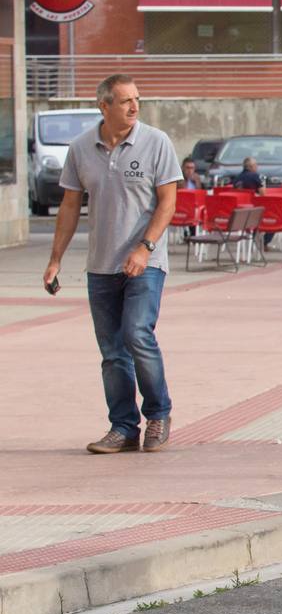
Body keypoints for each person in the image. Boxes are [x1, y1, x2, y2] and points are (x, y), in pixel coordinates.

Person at [42, 74, 182, 454]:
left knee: (137, 334)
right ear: (104, 106)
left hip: (145, 263)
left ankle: (158, 414)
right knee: (112, 352)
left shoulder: (156, 143)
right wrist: (55, 259)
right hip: (101, 268)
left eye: (137, 99)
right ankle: (123, 427)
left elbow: (167, 203)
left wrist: (145, 247)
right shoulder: (81, 148)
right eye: (125, 101)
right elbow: (70, 206)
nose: (135, 106)